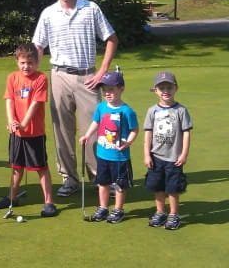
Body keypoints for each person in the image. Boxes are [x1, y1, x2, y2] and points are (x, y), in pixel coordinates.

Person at [32, 0, 118, 197]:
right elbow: (38, 46)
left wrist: (102, 71)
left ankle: (99, 177)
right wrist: (32, 75)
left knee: (95, 129)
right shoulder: (48, 13)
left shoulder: (91, 9)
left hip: (88, 76)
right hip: (59, 75)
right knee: (62, 131)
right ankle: (69, 179)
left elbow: (111, 38)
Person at [0, 43, 57, 217]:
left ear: (37, 63)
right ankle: (12, 197)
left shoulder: (41, 78)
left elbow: (36, 104)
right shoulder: (12, 78)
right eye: (22, 62)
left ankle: (49, 202)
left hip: (34, 132)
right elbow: (9, 101)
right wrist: (11, 121)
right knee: (16, 166)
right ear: (17, 62)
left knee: (40, 167)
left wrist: (23, 124)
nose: (26, 66)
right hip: (16, 132)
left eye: (30, 63)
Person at [79, 71, 138, 223]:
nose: (107, 93)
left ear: (121, 88)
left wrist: (128, 142)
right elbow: (96, 122)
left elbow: (134, 129)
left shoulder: (127, 111)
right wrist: (87, 135)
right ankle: (103, 208)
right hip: (103, 154)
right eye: (104, 90)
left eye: (111, 89)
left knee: (119, 185)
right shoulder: (101, 107)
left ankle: (118, 210)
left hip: (119, 156)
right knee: (103, 183)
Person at [144, 72, 192, 230]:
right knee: (158, 187)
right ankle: (160, 212)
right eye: (161, 87)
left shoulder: (181, 110)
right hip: (156, 157)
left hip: (174, 158)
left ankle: (173, 214)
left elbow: (186, 133)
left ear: (176, 88)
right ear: (155, 90)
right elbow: (148, 133)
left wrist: (184, 153)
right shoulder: (152, 111)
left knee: (173, 188)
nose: (166, 90)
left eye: (169, 87)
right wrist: (146, 154)